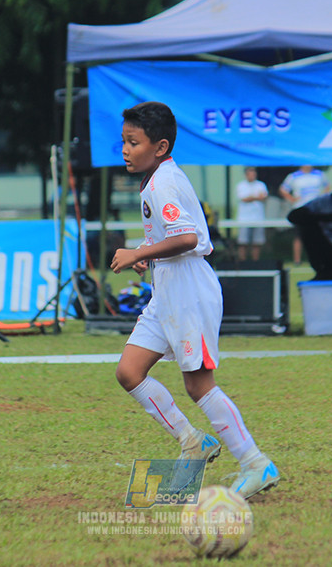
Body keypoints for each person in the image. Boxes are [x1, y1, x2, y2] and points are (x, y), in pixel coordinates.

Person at [110, 102, 279, 499]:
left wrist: (137, 253)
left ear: (161, 146)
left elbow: (189, 239)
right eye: (123, 141)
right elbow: (178, 234)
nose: (125, 150)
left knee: (199, 385)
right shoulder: (158, 178)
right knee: (129, 372)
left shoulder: (162, 183)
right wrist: (149, 252)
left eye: (133, 142)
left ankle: (256, 463)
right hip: (167, 291)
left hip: (189, 294)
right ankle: (192, 441)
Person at [278, 165, 329, 264]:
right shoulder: (293, 176)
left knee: (318, 236)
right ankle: (297, 260)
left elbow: (327, 186)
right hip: (300, 209)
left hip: (316, 210)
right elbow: (283, 189)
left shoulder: (319, 174)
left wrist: (323, 199)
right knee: (298, 236)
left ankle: (320, 258)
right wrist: (292, 199)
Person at [235, 167, 268, 261]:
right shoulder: (241, 185)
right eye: (250, 173)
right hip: (244, 219)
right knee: (243, 243)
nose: (252, 175)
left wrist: (251, 197)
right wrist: (257, 197)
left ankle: (255, 263)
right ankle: (243, 263)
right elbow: (244, 199)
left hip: (258, 218)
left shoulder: (261, 185)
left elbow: (264, 197)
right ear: (246, 174)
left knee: (257, 243)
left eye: (254, 173)